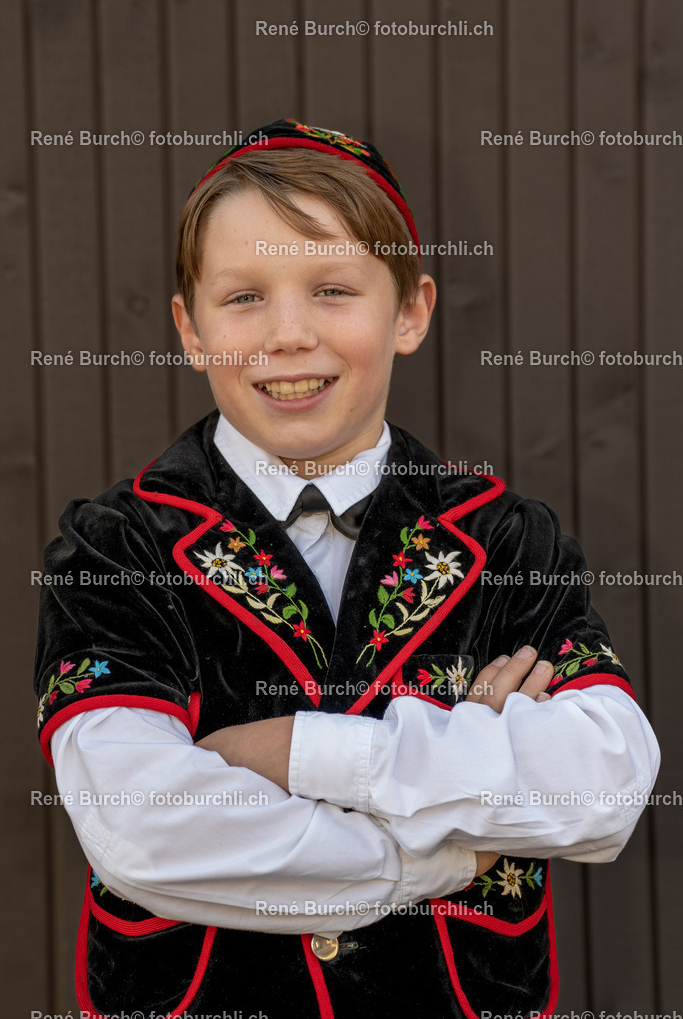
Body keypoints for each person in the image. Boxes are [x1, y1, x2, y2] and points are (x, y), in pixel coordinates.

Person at [35, 119, 659, 1019]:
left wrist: (301, 751)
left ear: (409, 312)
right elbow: (145, 828)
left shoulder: (505, 540)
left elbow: (600, 783)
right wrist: (451, 845)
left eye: (332, 289)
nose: (289, 335)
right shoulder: (118, 547)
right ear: (190, 327)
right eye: (243, 296)